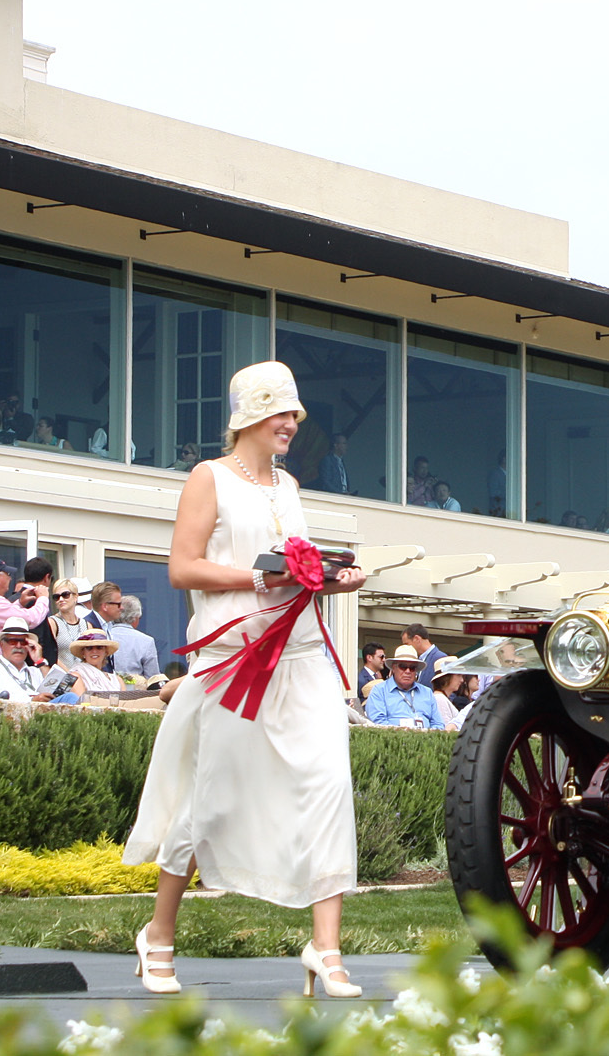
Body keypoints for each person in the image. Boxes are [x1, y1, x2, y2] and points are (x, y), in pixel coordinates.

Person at [122, 361, 367, 998]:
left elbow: (295, 568)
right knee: (213, 799)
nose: (292, 424)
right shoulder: (208, 478)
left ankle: (327, 948)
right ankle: (159, 935)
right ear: (253, 416)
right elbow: (183, 567)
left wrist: (331, 579)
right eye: (283, 414)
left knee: (329, 783)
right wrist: (265, 579)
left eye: (294, 415)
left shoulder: (289, 486)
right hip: (235, 659)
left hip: (304, 652)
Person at [364, 645, 444, 728]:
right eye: (403, 666)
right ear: (394, 668)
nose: (407, 671)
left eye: (412, 668)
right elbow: (378, 724)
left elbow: (438, 724)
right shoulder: (379, 691)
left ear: (416, 670)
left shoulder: (427, 692)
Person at [0, 618, 51, 703]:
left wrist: (40, 661)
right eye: (12, 641)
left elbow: (58, 689)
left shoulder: (36, 671)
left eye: (23, 642)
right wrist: (31, 700)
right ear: (1, 644)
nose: (18, 646)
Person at [40, 577, 102, 670]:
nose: (61, 599)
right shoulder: (52, 623)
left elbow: (93, 653)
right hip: (61, 676)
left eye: (65, 595)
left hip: (84, 676)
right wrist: (69, 675)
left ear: (75, 597)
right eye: (56, 597)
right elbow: (50, 655)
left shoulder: (86, 625)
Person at [107, 593, 161, 678]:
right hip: (135, 690)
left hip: (105, 689)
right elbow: (152, 679)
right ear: (135, 618)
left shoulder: (102, 636)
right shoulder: (146, 641)